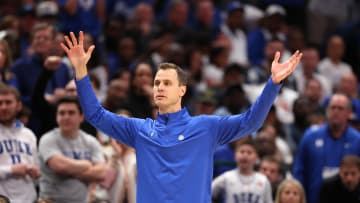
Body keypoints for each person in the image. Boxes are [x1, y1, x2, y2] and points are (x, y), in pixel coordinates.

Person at [60, 31, 302, 203]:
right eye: (156, 83)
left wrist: (273, 83)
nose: (159, 88)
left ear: (182, 90)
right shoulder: (139, 130)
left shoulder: (207, 127)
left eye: (166, 83)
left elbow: (251, 122)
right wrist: (81, 71)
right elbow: (94, 114)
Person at [293, 93, 360, 203]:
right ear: (327, 110)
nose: (336, 111)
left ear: (349, 113)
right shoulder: (310, 137)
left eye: (340, 108)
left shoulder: (357, 140)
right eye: (333, 107)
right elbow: (299, 170)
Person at [38, 96, 107, 203]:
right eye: (61, 113)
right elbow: (59, 166)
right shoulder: (47, 139)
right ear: (56, 117)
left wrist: (71, 170)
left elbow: (101, 173)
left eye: (71, 113)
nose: (66, 117)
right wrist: (86, 165)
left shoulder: (90, 141)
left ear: (81, 117)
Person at [0, 83, 40, 203]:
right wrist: (11, 170)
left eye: (8, 102)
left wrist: (36, 172)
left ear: (19, 105)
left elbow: (38, 172)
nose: (3, 107)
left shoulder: (29, 134)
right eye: (0, 103)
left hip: (29, 198)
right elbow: (12, 170)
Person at [212, 137, 273, 203]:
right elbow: (208, 193)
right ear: (235, 155)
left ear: (256, 157)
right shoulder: (226, 178)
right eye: (242, 152)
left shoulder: (263, 180)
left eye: (249, 152)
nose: (245, 155)